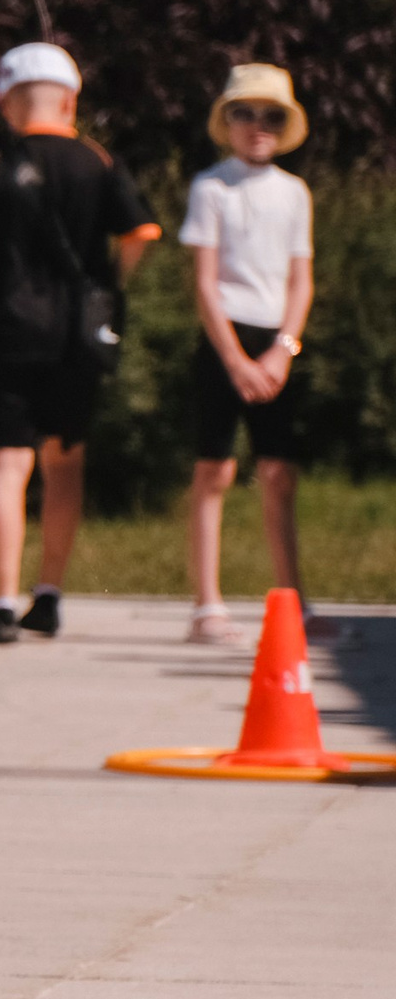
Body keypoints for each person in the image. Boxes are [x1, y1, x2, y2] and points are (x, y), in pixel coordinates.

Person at [0, 42, 161, 642]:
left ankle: (0, 603)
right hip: (76, 336)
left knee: (5, 463)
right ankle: (48, 595)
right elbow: (141, 230)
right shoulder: (98, 162)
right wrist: (109, 286)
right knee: (64, 460)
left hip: (10, 330)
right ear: (71, 100)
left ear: (8, 102)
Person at [179, 64, 316, 645]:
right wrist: (234, 359)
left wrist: (282, 351)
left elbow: (301, 281)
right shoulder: (212, 187)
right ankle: (207, 604)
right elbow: (206, 282)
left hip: (275, 340)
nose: (258, 126)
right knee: (215, 469)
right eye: (245, 113)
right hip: (224, 339)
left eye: (271, 116)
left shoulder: (293, 192)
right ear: (227, 122)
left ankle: (294, 603)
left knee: (278, 471)